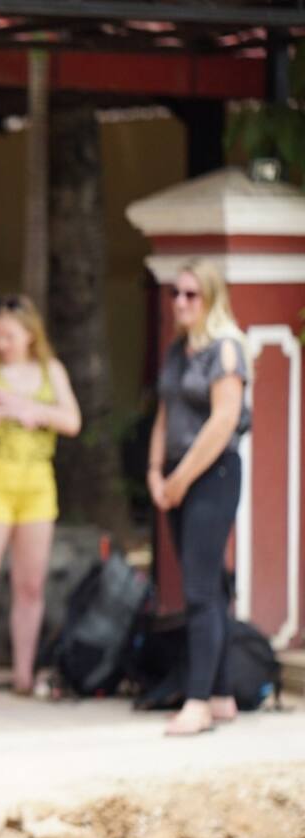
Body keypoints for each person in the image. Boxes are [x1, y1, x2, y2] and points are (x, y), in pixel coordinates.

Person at [0, 294, 81, 703]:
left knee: (30, 585)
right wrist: (4, 413)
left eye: (8, 335)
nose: (1, 342)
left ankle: (23, 674)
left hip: (37, 483)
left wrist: (29, 407)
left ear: (29, 333)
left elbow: (72, 421)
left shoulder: (49, 370)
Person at [148, 260, 250, 736]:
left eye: (192, 294)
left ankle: (198, 701)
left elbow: (222, 422)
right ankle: (223, 693)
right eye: (176, 294)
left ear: (211, 297)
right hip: (177, 477)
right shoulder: (178, 350)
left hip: (214, 475)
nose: (182, 302)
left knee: (200, 590)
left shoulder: (226, 349)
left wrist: (182, 478)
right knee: (208, 583)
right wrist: (155, 471)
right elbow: (165, 414)